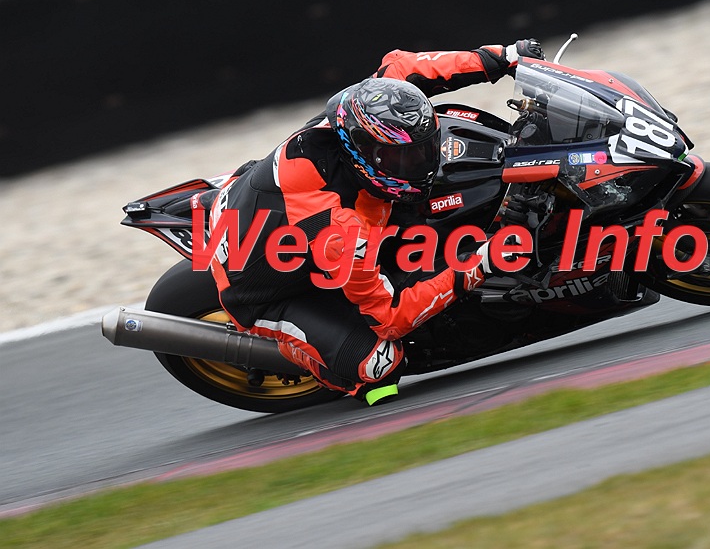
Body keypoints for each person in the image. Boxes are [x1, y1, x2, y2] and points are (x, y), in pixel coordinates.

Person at [204, 39, 545, 406]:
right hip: (271, 292)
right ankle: (315, 359)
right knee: (380, 366)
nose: (422, 162)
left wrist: (502, 58)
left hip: (292, 206)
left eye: (422, 150)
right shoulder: (337, 230)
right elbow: (391, 317)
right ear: (362, 153)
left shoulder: (363, 112)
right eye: (404, 158)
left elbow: (404, 66)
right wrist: (481, 264)